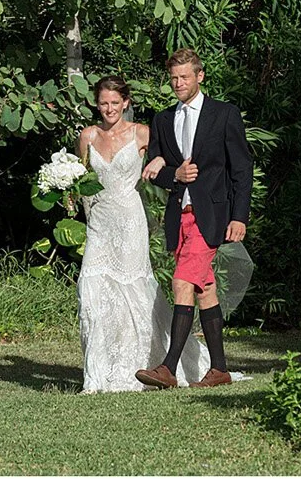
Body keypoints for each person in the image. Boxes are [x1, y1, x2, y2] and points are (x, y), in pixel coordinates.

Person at [74, 75, 211, 392]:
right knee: (91, 290)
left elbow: (169, 159)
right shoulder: (88, 135)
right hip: (99, 220)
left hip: (130, 219)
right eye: (103, 103)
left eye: (115, 102)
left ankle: (144, 362)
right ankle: (96, 374)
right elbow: (82, 180)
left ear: (125, 102)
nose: (109, 108)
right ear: (97, 104)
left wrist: (160, 159)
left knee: (135, 289)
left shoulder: (142, 133)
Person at [135, 48, 255, 390]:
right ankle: (219, 370)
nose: (178, 83)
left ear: (200, 76)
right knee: (204, 289)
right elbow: (155, 170)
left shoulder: (225, 114)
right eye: (174, 78)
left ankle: (168, 368)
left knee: (182, 282)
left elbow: (242, 168)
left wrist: (239, 217)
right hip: (180, 218)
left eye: (185, 77)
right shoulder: (162, 120)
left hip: (212, 216)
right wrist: (174, 174)